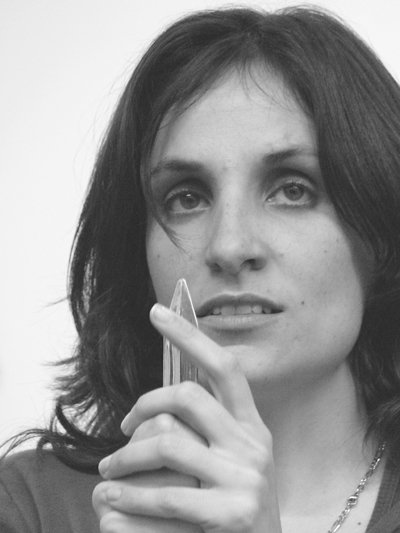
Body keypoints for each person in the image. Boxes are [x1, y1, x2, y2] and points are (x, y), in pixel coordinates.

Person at [2, 5, 400, 533]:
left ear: (380, 233)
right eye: (186, 198)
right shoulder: (28, 508)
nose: (230, 246)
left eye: (292, 190)